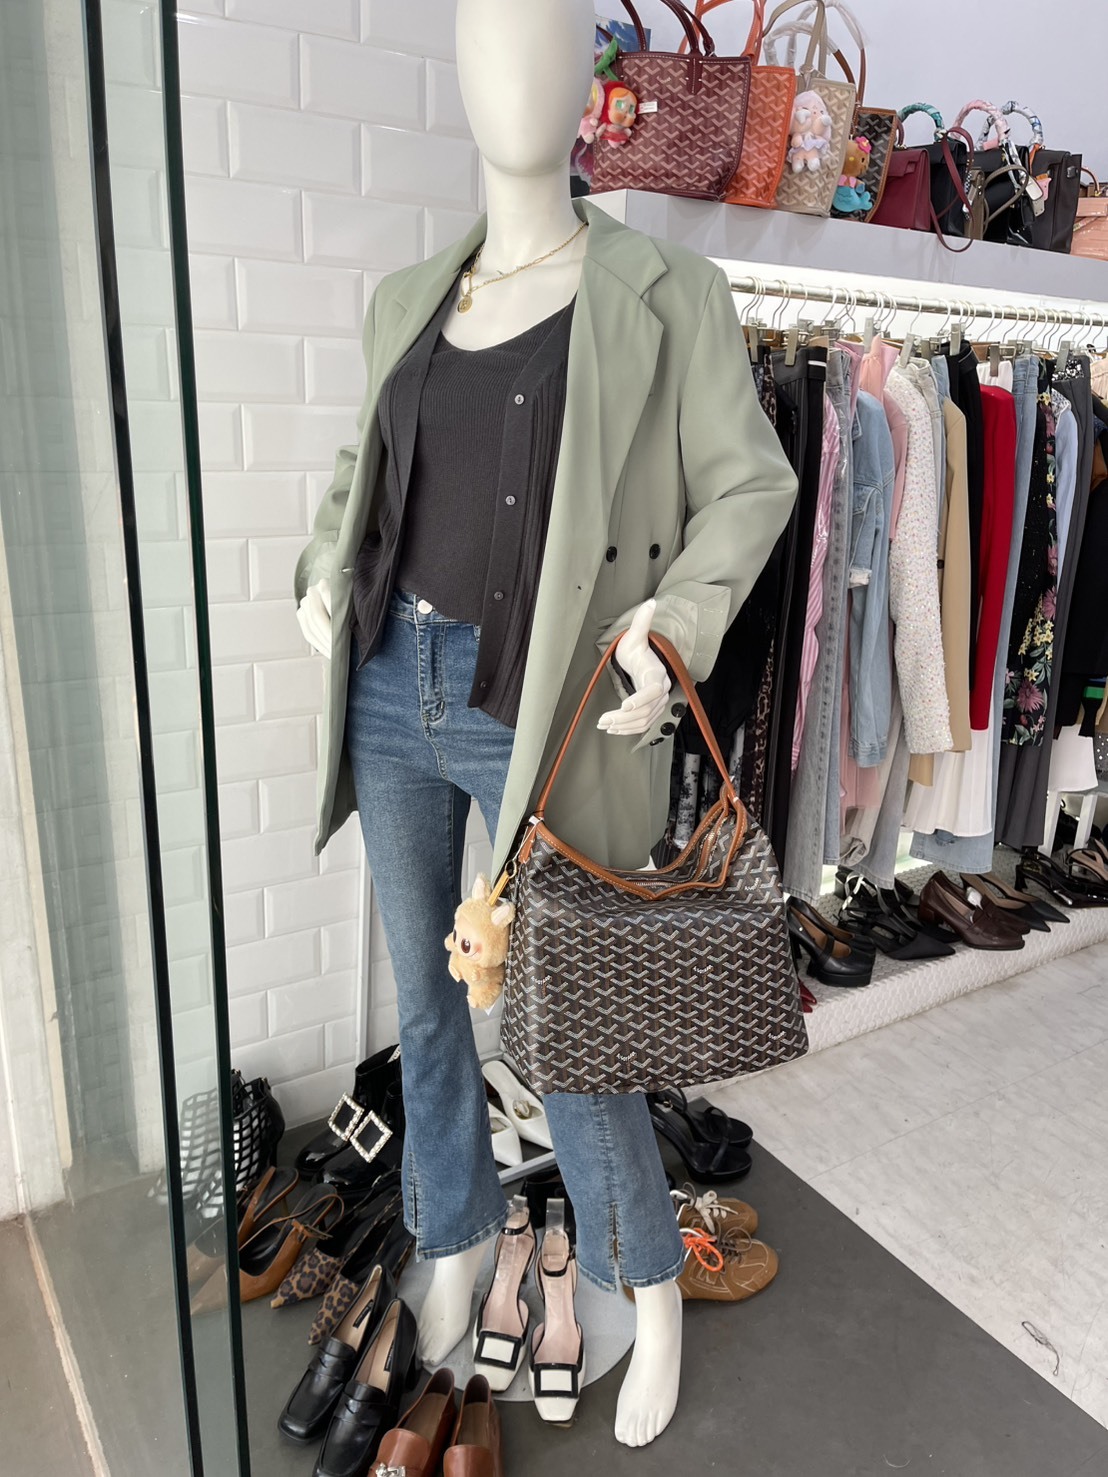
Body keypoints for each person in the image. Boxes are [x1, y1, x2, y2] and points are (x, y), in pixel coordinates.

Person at [295, 0, 798, 1447]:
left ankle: (651, 1281)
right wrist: (324, 577)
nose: (513, 73)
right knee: (427, 996)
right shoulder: (411, 297)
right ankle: (452, 1234)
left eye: (545, 41)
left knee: (577, 1022)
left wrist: (678, 623)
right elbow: (356, 480)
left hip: (543, 703)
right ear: (457, 71)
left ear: (589, 80)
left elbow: (751, 486)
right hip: (391, 679)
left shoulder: (665, 291)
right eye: (486, 41)